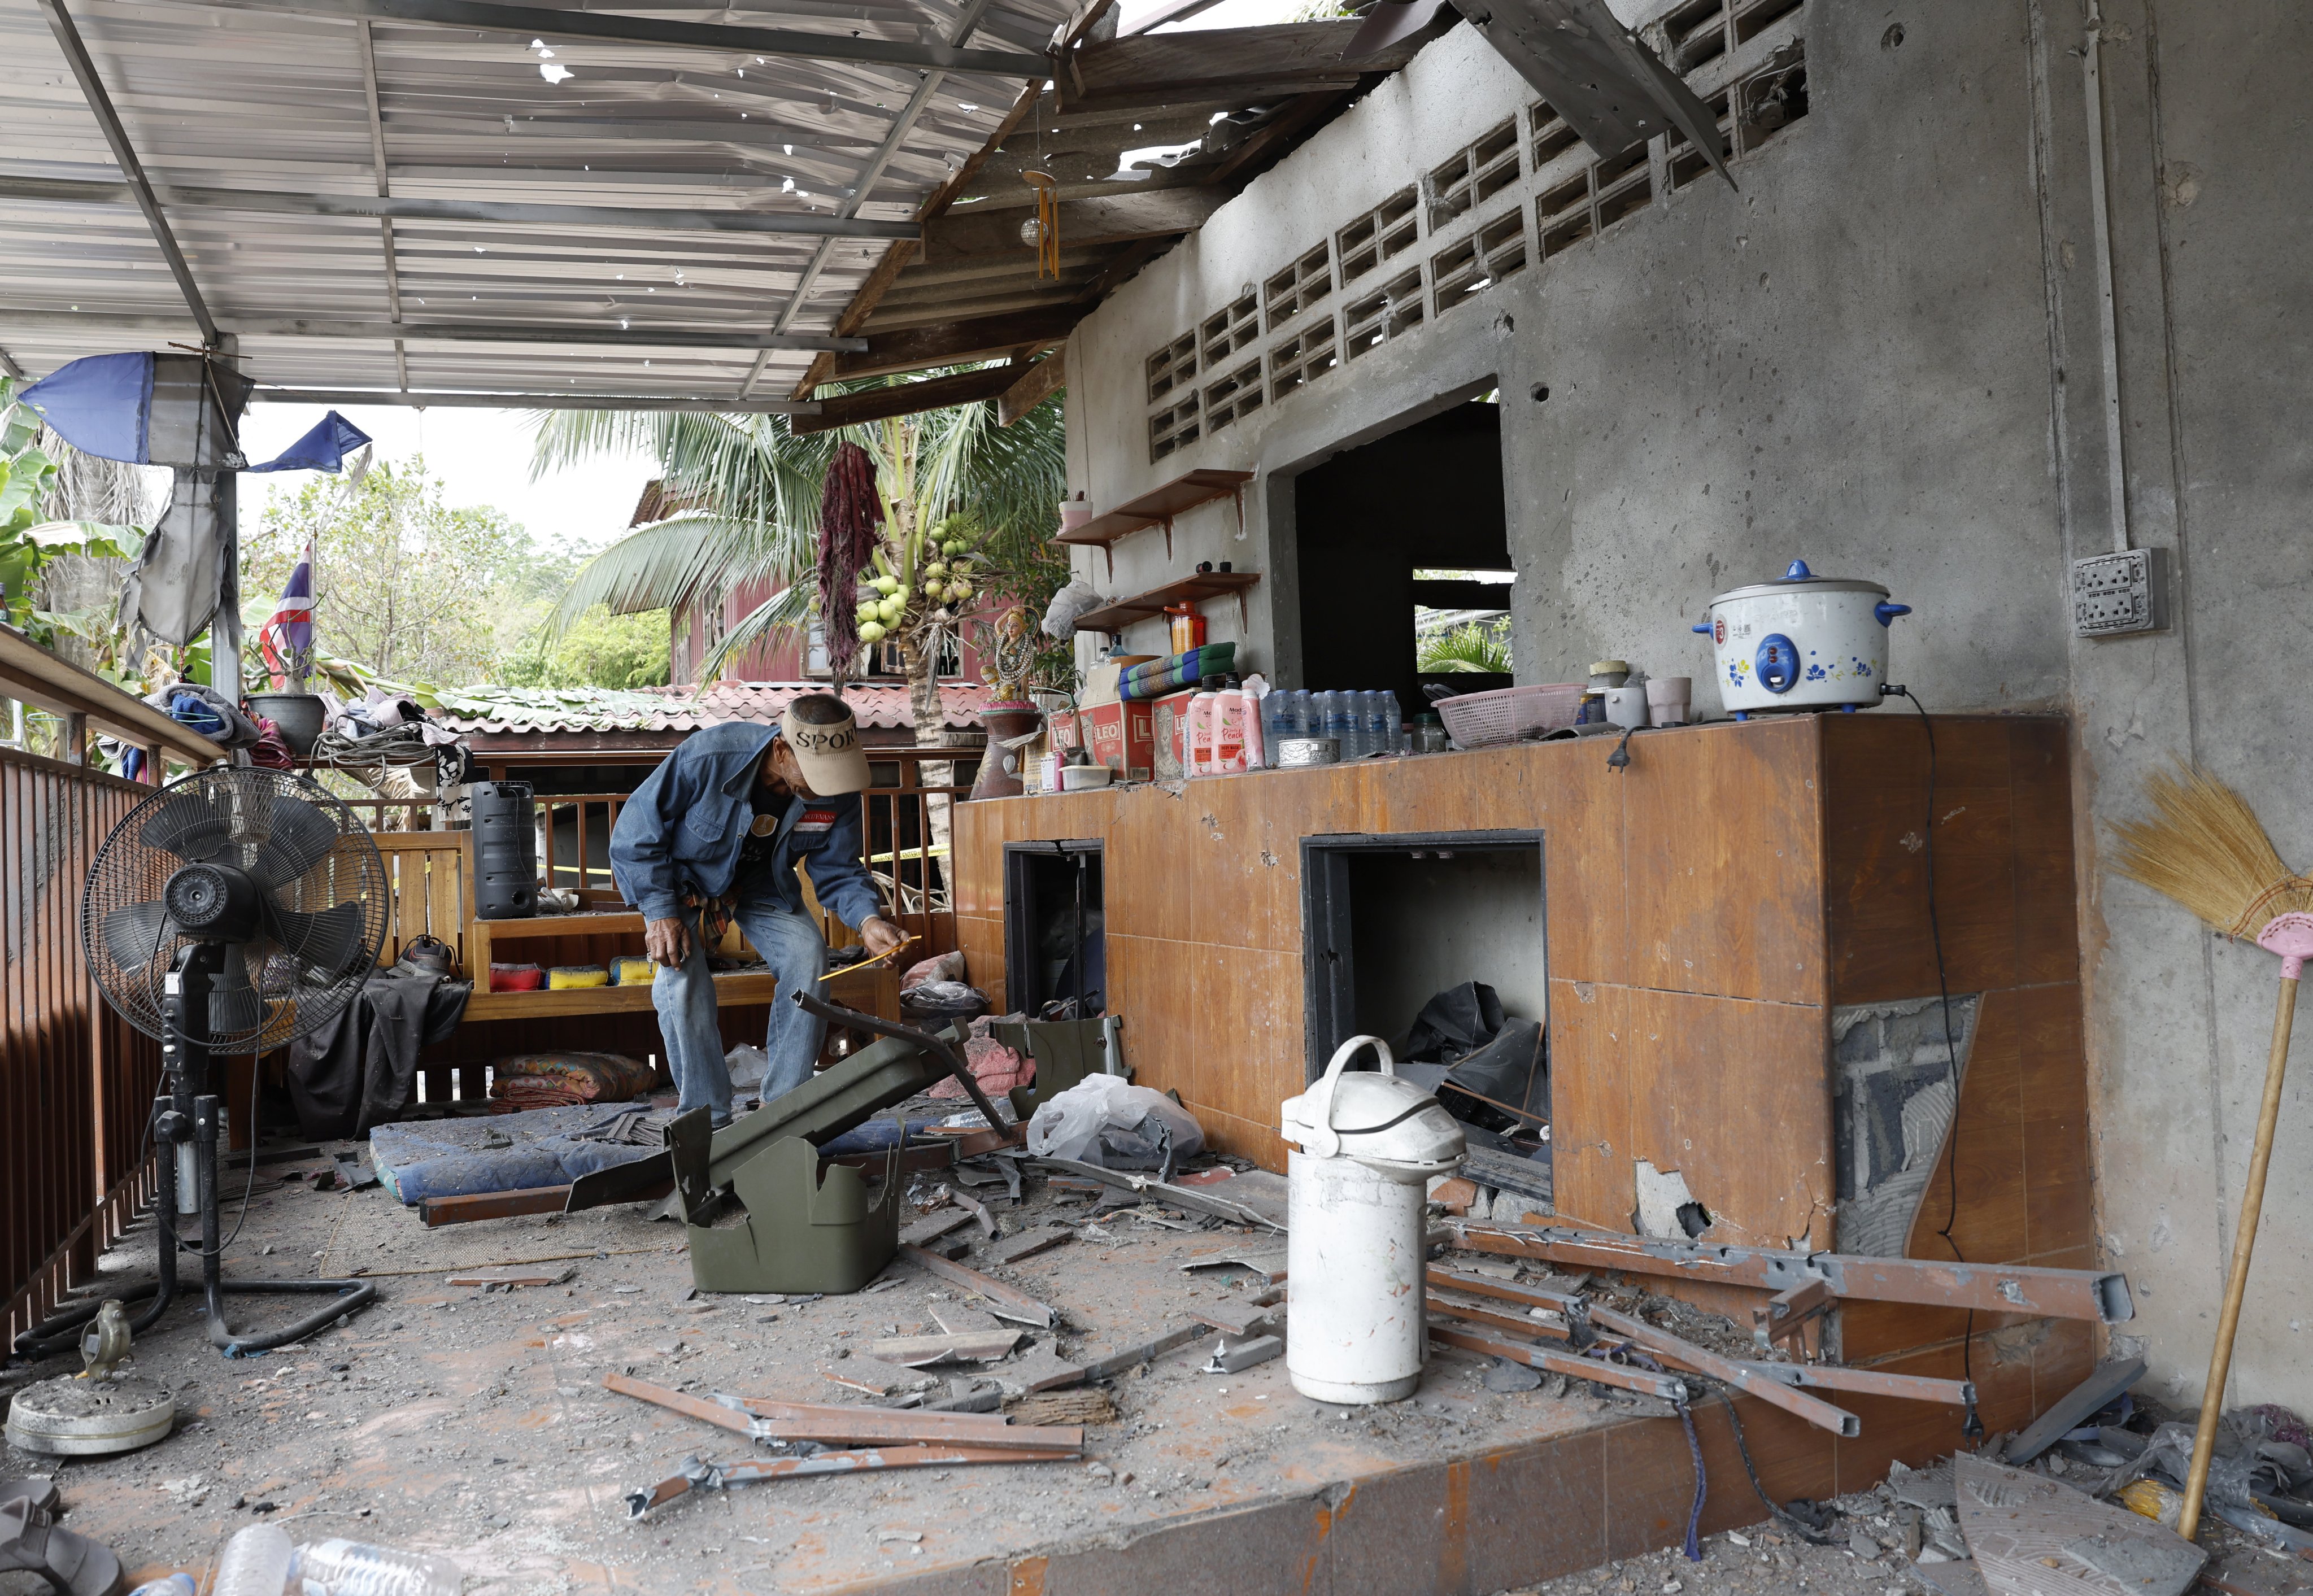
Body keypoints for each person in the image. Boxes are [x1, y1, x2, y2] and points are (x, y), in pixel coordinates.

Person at [608, 695, 909, 1125]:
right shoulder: (709, 756)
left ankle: (782, 1109)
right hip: (682, 884)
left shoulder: (835, 790)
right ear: (782, 751)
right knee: (680, 980)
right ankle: (706, 1117)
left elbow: (838, 866)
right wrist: (659, 912)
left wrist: (868, 919)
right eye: (815, 773)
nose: (826, 786)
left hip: (762, 883)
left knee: (810, 960)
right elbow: (635, 834)